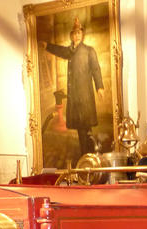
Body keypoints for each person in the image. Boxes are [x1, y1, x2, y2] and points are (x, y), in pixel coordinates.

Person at [42, 18, 105, 155]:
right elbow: (60, 50)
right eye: (74, 33)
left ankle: (88, 155)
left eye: (79, 33)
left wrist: (99, 87)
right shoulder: (70, 51)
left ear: (82, 35)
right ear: (71, 35)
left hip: (85, 96)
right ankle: (87, 154)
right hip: (75, 97)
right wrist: (47, 46)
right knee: (81, 128)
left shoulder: (89, 51)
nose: (77, 35)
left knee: (85, 127)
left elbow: (96, 69)